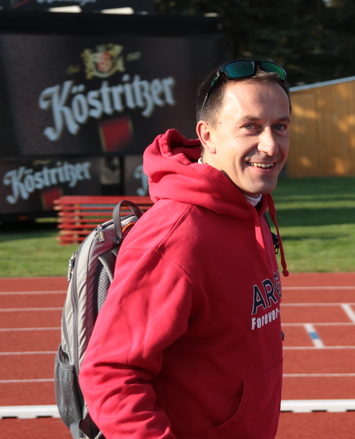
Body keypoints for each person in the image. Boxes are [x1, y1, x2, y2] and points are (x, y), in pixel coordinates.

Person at [79, 59, 291, 439]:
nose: (270, 145)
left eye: (280, 126)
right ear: (207, 135)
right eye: (250, 127)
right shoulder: (175, 237)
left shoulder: (248, 207)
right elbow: (110, 376)